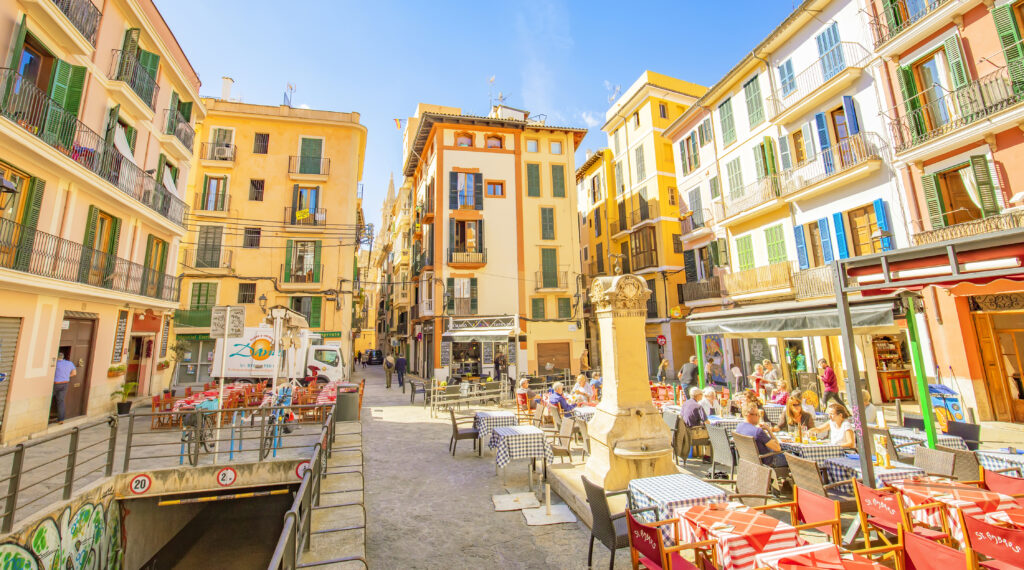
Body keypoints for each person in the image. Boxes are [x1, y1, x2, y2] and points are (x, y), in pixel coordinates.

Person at [735, 402, 786, 467]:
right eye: (757, 414)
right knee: (795, 457)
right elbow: (778, 448)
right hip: (767, 461)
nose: (759, 416)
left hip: (749, 461)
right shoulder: (758, 432)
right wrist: (769, 430)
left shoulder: (739, 427)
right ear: (749, 415)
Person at [52, 352, 76, 423]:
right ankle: (61, 419)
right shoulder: (70, 363)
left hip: (56, 384)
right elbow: (74, 373)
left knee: (49, 400)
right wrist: (65, 376)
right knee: (61, 401)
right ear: (63, 357)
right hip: (65, 383)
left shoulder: (55, 364)